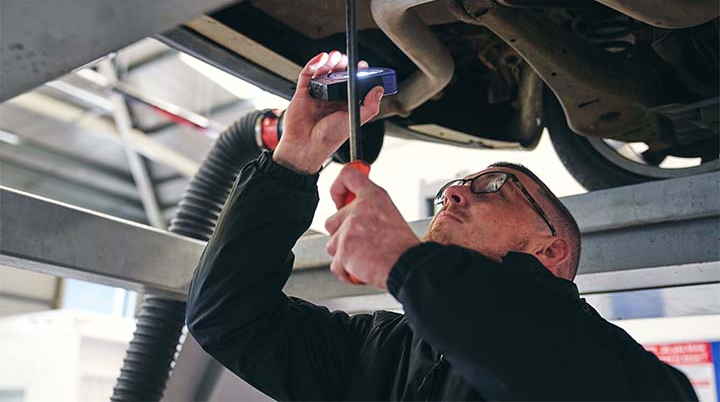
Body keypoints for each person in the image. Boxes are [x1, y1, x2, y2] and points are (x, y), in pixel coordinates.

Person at [185, 51, 697, 401]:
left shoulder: (614, 368)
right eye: (456, 186)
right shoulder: (379, 350)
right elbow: (228, 317)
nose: (453, 193)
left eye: (494, 186)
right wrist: (294, 158)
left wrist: (407, 264)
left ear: (552, 251)